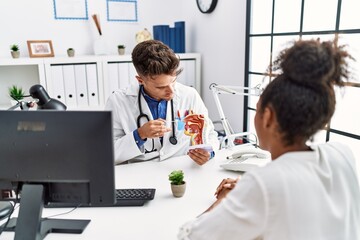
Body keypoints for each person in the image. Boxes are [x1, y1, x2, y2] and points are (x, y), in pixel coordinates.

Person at [178, 38, 360, 239]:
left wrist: (227, 201)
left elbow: (189, 236)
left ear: (268, 117)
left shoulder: (263, 185)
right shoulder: (341, 154)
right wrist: (251, 194)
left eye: (257, 110)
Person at [105, 40, 219, 165]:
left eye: (173, 81)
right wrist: (140, 134)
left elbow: (210, 134)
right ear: (140, 80)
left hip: (181, 167)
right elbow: (107, 152)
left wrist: (209, 152)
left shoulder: (189, 95)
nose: (171, 91)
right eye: (161, 87)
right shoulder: (118, 101)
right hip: (140, 171)